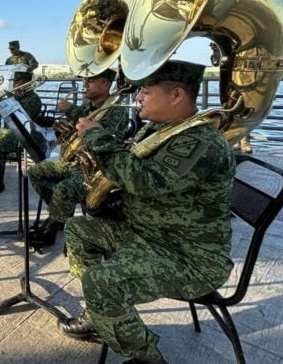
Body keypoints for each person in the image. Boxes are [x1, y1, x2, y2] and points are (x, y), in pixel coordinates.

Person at [58, 60, 235, 364]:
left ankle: (147, 358)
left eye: (146, 91)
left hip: (187, 257)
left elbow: (145, 181)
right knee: (78, 229)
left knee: (102, 281)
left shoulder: (201, 141)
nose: (138, 97)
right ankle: (101, 314)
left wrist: (97, 138)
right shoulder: (160, 129)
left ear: (176, 95)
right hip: (148, 234)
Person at [27, 69, 128, 248]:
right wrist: (62, 129)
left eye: (91, 80)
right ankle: (58, 215)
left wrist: (71, 110)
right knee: (35, 171)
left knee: (64, 188)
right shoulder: (87, 108)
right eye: (85, 80)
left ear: (106, 84)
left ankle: (52, 227)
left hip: (96, 169)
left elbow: (105, 140)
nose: (85, 83)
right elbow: (74, 132)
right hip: (76, 163)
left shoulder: (117, 111)